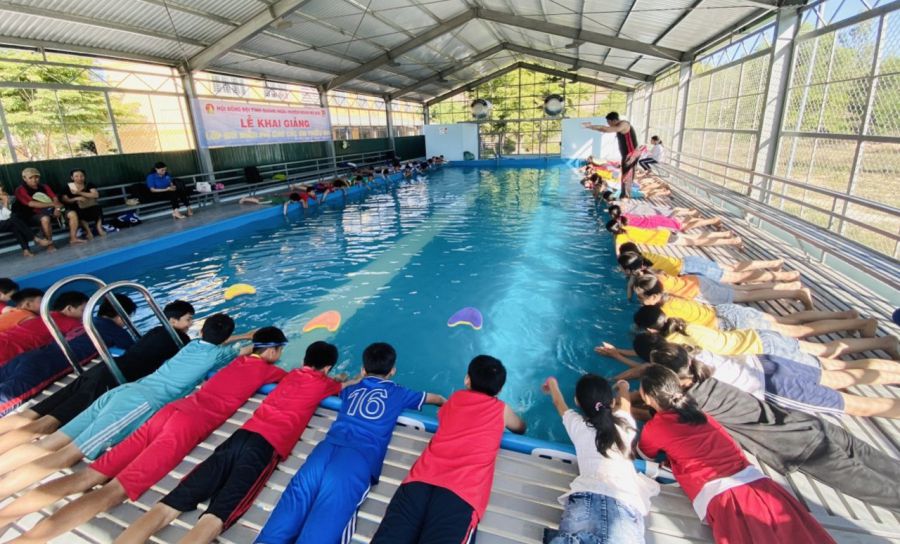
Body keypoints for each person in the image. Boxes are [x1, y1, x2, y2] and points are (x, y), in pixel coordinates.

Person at [0, 327, 289, 541]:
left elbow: (237, 350)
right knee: (114, 492)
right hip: (184, 426)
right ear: (274, 351)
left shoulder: (228, 360)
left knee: (88, 477)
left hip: (170, 410)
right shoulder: (267, 371)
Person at [116, 341, 356, 544]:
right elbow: (343, 386)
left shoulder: (291, 375)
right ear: (327, 368)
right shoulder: (325, 384)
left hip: (240, 437)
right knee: (217, 516)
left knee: (170, 504)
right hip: (264, 448)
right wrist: (350, 377)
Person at [0, 313, 253, 499]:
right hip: (139, 403)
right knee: (65, 456)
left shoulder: (192, 345)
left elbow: (217, 342)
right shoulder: (220, 355)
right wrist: (251, 337)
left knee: (51, 443)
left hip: (123, 392)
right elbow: (245, 350)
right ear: (226, 338)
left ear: (201, 331)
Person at [254, 342, 445, 544]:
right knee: (322, 531)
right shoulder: (400, 393)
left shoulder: (350, 389)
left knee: (286, 515)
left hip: (323, 453)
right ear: (393, 371)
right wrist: (444, 402)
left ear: (363, 370)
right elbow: (434, 398)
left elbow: (338, 387)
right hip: (356, 462)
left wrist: (347, 379)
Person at [635, 365, 835, 543]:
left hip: (728, 498)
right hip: (761, 486)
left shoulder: (655, 427)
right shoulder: (701, 416)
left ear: (647, 397)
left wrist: (625, 404)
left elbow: (645, 455)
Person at [0, 300, 194, 453]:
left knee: (31, 414)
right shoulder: (180, 339)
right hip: (111, 379)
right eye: (188, 319)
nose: (190, 324)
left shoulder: (154, 331)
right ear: (173, 321)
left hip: (103, 369)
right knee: (46, 424)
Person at [371, 356, 526, 544]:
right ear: (500, 389)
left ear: (467, 379)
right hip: (461, 493)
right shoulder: (501, 410)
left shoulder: (455, 399)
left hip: (419, 481)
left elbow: (445, 415)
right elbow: (520, 427)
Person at [538, 375, 657, 544]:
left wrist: (552, 383)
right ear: (612, 403)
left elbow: (559, 403)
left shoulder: (578, 426)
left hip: (585, 495)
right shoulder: (625, 423)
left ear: (577, 402)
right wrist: (623, 386)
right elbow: (625, 403)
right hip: (624, 501)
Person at [0, 294, 137, 418]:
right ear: (121, 317)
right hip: (45, 365)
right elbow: (136, 350)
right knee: (7, 399)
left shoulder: (84, 323)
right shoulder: (114, 329)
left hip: (31, 355)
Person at [633, 305, 900, 365]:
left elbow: (656, 356)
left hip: (762, 346)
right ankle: (862, 327)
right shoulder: (680, 325)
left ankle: (882, 342)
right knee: (808, 338)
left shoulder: (675, 343)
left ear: (652, 331)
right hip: (751, 334)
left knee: (831, 360)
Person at [632, 274, 874, 337]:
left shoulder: (665, 311)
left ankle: (859, 321)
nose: (641, 302)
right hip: (725, 313)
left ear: (653, 297)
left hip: (729, 322)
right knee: (789, 322)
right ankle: (848, 315)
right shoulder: (671, 299)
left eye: (642, 297)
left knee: (797, 330)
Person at [616, 244, 796, 284]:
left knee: (737, 277)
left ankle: (784, 276)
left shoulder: (653, 270)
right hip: (689, 261)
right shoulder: (643, 257)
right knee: (734, 267)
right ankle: (774, 263)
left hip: (692, 268)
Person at [0, 291, 88, 367]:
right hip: (7, 352)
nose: (86, 313)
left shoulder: (45, 315)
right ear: (69, 308)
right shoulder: (70, 323)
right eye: (83, 310)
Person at [12, 168, 80, 250]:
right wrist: (53, 204)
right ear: (24, 178)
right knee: (45, 219)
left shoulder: (44, 186)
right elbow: (31, 204)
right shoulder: (20, 189)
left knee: (72, 214)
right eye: (31, 178)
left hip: (52, 210)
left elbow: (54, 198)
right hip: (34, 214)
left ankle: (73, 238)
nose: (34, 180)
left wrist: (57, 209)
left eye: (36, 177)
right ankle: (50, 244)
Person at [582, 113, 639, 199]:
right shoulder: (618, 126)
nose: (608, 124)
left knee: (627, 175)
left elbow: (607, 129)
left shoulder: (624, 124)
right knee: (626, 175)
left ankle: (625, 197)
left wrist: (590, 126)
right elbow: (604, 129)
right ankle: (625, 195)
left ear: (614, 120)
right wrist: (590, 127)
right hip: (628, 155)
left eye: (608, 122)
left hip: (631, 154)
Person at [606, 219, 742, 252]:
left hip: (666, 239)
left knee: (698, 241)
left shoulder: (620, 238)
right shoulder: (626, 227)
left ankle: (732, 241)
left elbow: (619, 253)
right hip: (664, 232)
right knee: (696, 237)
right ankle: (725, 233)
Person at [1, 187, 51, 256]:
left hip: (8, 221)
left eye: (2, 190)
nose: (2, 192)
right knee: (13, 219)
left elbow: (12, 209)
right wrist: (5, 203)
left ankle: (26, 250)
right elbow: (5, 216)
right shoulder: (5, 200)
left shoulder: (9, 198)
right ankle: (36, 239)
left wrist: (7, 201)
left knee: (15, 225)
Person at [61, 169, 105, 242]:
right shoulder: (68, 187)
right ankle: (88, 231)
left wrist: (79, 193)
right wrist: (76, 198)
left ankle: (99, 228)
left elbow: (95, 195)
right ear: (72, 178)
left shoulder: (89, 184)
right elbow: (65, 200)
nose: (79, 178)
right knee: (78, 211)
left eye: (82, 176)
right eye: (76, 176)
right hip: (77, 206)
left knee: (98, 208)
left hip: (90, 204)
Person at [607, 204, 721, 232]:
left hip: (657, 223)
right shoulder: (624, 217)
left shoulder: (624, 223)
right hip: (655, 219)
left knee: (683, 226)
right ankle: (700, 217)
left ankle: (713, 220)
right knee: (682, 225)